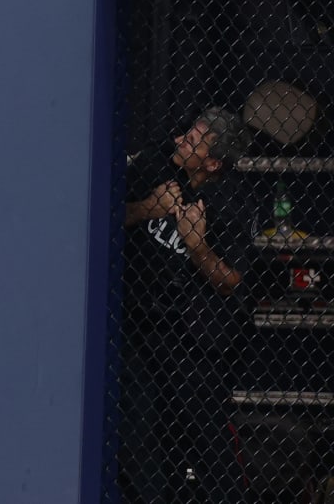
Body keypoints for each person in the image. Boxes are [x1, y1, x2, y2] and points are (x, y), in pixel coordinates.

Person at [117, 106, 252, 503]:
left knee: (205, 438)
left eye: (192, 141)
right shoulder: (156, 165)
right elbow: (100, 216)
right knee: (144, 430)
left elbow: (230, 282)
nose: (179, 141)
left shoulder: (229, 202)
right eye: (186, 134)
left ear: (213, 163)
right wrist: (148, 208)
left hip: (192, 338)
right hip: (136, 321)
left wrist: (197, 247)